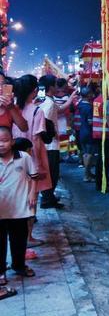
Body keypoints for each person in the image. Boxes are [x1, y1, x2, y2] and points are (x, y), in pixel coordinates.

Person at [13, 75, 53, 258]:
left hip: (13, 159)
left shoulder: (12, 109)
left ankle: (19, 237)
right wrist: (39, 167)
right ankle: (28, 236)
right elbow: (36, 140)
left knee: (18, 199)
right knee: (31, 201)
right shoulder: (37, 111)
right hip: (31, 159)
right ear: (35, 91)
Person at [0, 126, 38, 297]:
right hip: (1, 208)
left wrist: (32, 194)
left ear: (12, 141)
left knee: (19, 239)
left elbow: (34, 177)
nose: (1, 144)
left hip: (19, 208)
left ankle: (19, 265)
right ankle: (1, 273)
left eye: (5, 140)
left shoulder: (24, 158)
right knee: (0, 243)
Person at [39, 75, 77, 209]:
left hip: (48, 145)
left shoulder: (46, 100)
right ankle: (47, 200)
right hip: (50, 145)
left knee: (51, 173)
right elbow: (46, 123)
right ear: (50, 87)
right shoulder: (48, 103)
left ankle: (49, 198)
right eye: (56, 85)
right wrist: (54, 134)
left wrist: (71, 99)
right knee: (52, 174)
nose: (58, 87)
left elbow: (59, 110)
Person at [92, 92, 109, 192]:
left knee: (100, 160)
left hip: (97, 133)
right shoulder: (106, 102)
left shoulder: (97, 99)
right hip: (105, 135)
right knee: (105, 161)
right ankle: (104, 184)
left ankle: (100, 183)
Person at [77, 87, 96, 183]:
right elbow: (90, 122)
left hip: (82, 131)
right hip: (88, 132)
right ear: (88, 95)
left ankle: (88, 173)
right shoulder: (89, 107)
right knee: (89, 154)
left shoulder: (80, 105)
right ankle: (86, 174)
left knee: (85, 153)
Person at [53, 78, 72, 161]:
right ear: (64, 85)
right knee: (65, 139)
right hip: (64, 121)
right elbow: (68, 112)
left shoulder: (52, 96)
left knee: (56, 139)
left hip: (55, 120)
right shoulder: (67, 97)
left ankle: (59, 156)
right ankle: (65, 156)